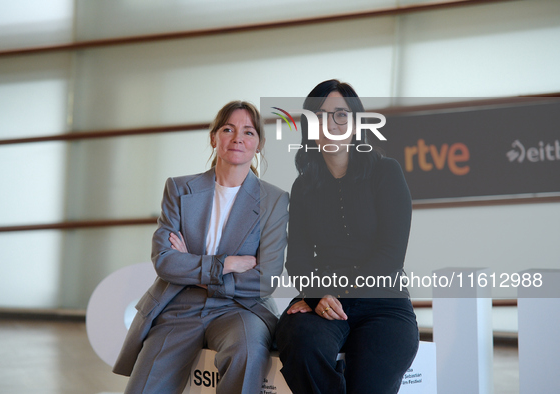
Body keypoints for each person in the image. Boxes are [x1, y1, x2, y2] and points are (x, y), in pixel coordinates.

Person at [112, 101, 289, 394]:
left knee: (247, 352)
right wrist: (227, 264)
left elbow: (265, 279)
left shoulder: (274, 199)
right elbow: (165, 261)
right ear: (213, 137)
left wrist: (193, 265)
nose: (238, 138)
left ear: (259, 144)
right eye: (228, 129)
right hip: (181, 305)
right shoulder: (180, 189)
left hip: (241, 308)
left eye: (248, 132)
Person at [275, 80, 419, 393]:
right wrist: (314, 297)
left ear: (355, 123)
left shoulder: (386, 172)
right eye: (322, 115)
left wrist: (335, 295)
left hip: (384, 302)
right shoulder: (303, 187)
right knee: (300, 343)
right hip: (324, 300)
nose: (332, 124)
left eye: (341, 114)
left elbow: (391, 253)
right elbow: (297, 256)